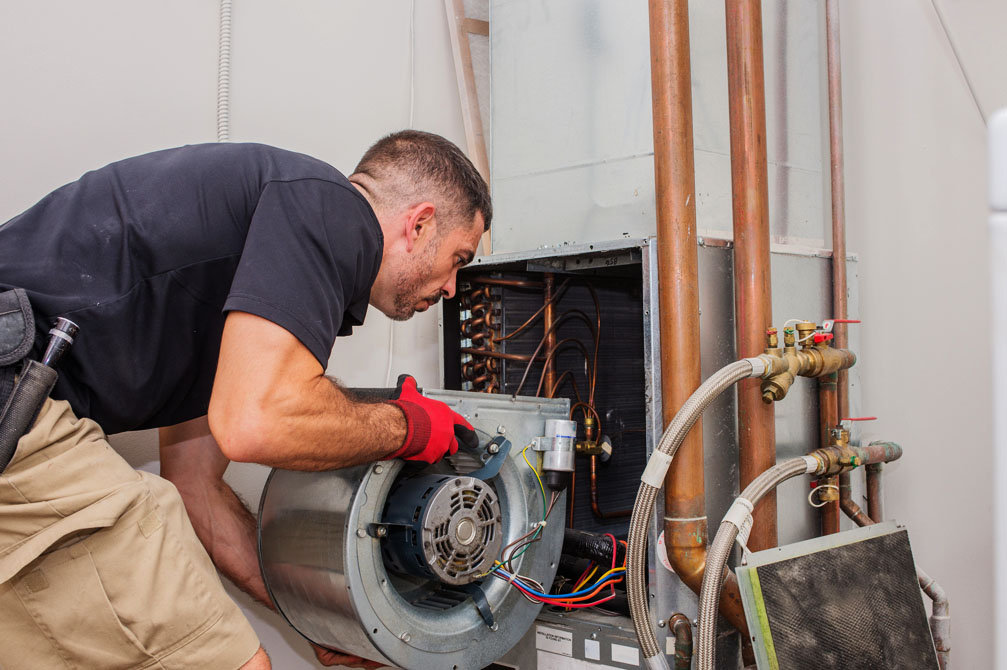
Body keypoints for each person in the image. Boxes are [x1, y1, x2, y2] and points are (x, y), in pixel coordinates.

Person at [0, 130, 490, 669]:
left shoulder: (250, 273)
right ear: (418, 224)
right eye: (458, 258)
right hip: (17, 397)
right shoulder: (330, 208)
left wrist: (313, 619)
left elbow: (195, 489)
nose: (451, 287)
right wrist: (411, 428)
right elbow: (256, 424)